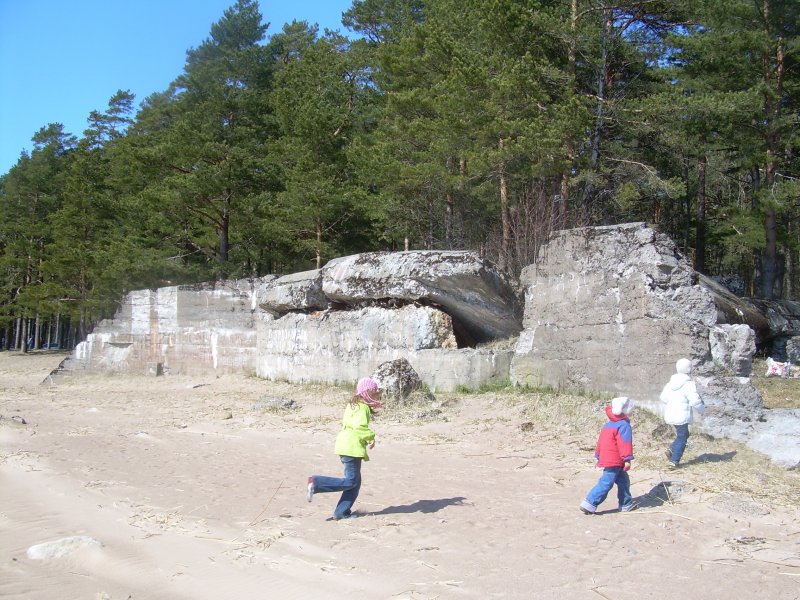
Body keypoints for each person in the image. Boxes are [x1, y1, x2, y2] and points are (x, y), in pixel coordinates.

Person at [306, 377, 382, 520]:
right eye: (374, 393)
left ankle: (341, 512)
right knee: (351, 481)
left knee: (355, 483)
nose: (376, 396)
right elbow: (359, 426)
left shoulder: (352, 405)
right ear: (367, 392)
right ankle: (316, 483)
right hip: (351, 449)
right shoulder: (363, 408)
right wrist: (371, 437)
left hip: (344, 445)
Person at [580, 396, 637, 515]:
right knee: (606, 482)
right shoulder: (624, 425)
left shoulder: (608, 425)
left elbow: (601, 442)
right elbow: (625, 443)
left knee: (623, 481)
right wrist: (627, 459)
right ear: (625, 410)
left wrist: (598, 455)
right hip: (615, 460)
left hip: (611, 459)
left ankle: (626, 504)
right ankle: (590, 502)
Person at [660, 358, 705, 468]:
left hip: (670, 414)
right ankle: (674, 461)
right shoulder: (688, 384)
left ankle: (671, 449)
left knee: (684, 434)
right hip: (681, 415)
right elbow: (694, 400)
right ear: (689, 369)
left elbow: (663, 398)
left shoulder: (670, 383)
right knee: (682, 437)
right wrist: (702, 409)